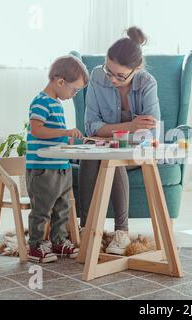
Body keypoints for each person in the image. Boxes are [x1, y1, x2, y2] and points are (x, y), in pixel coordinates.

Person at [79, 26, 160, 255]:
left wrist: (111, 132)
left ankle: (121, 232)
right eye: (109, 71)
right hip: (102, 148)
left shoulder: (147, 83)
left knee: (114, 154)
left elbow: (151, 133)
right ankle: (88, 229)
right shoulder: (96, 76)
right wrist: (130, 127)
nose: (112, 80)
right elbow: (91, 126)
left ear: (137, 69)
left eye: (120, 76)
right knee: (91, 152)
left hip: (136, 152)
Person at [26, 55, 88, 263]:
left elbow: (54, 134)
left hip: (61, 167)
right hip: (43, 168)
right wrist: (65, 131)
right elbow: (37, 129)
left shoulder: (57, 104)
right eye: (74, 89)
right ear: (60, 81)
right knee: (42, 210)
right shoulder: (41, 102)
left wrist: (68, 139)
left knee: (63, 209)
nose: (74, 94)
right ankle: (35, 245)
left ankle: (59, 241)